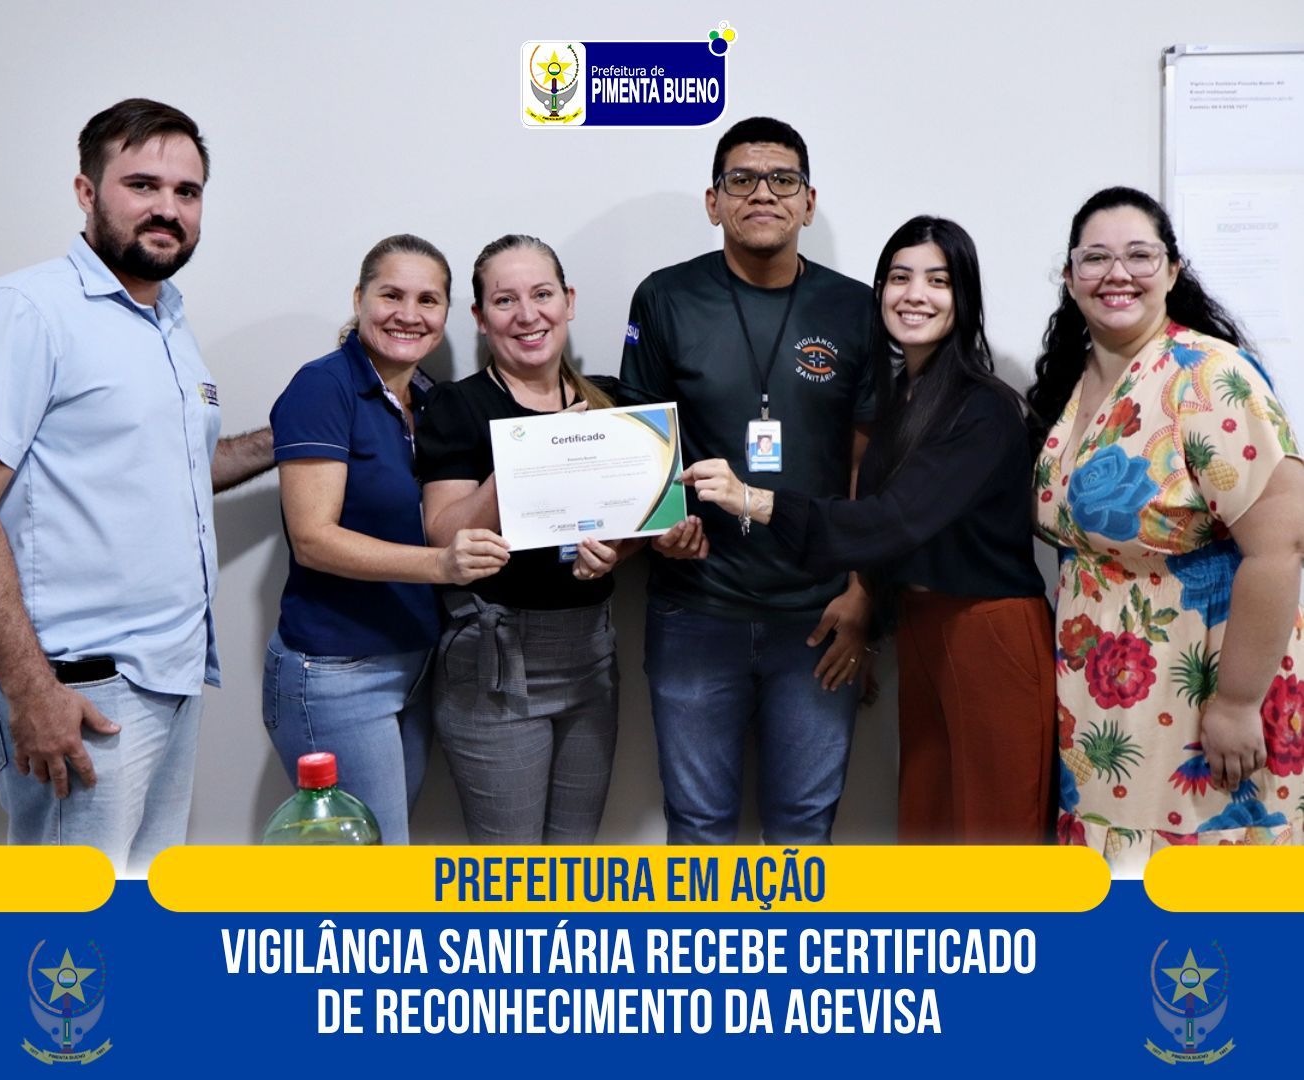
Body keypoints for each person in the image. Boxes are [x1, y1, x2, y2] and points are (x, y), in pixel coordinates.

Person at [0, 99, 272, 875]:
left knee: (138, 905)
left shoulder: (166, 320)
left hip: (168, 671)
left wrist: (287, 439)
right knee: (68, 924)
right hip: (76, 684)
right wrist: (31, 690)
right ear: (86, 191)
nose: (168, 208)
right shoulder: (27, 312)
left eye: (187, 191)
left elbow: (171, 466)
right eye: (143, 185)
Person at [683, 216, 1055, 843]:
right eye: (900, 278)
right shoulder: (903, 394)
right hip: (923, 627)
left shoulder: (983, 406)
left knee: (996, 845)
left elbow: (892, 521)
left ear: (964, 297)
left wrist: (754, 500)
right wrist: (870, 608)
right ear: (880, 291)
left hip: (989, 631)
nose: (916, 295)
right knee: (928, 834)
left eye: (938, 281)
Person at [1027, 186, 1304, 873]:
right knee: (1112, 903)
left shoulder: (1207, 375)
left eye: (1139, 255)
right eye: (1095, 258)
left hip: (1203, 696)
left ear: (1173, 270)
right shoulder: (1076, 381)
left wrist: (1237, 703)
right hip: (1103, 708)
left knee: (1197, 910)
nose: (1116, 273)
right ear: (1070, 276)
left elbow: (1282, 546)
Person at [619, 116, 876, 844]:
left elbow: (869, 462)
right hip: (696, 609)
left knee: (805, 829)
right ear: (714, 202)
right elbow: (642, 439)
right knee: (699, 827)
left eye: (782, 179)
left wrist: (864, 593)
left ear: (808, 202)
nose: (763, 193)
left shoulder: (855, 307)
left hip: (818, 614)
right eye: (741, 180)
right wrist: (660, 528)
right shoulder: (664, 298)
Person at [416, 234, 704, 843]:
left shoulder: (614, 403)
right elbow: (444, 537)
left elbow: (635, 525)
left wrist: (620, 552)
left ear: (568, 301)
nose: (528, 315)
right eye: (505, 301)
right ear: (480, 318)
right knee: (511, 878)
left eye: (542, 294)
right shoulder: (456, 406)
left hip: (592, 656)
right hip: (496, 660)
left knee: (574, 865)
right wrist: (532, 457)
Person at [263, 235, 509, 844]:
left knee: (384, 855)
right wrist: (441, 565)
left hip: (413, 665)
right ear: (359, 298)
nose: (408, 314)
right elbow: (313, 539)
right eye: (391, 295)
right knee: (370, 872)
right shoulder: (324, 387)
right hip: (338, 671)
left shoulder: (427, 398)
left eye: (428, 300)